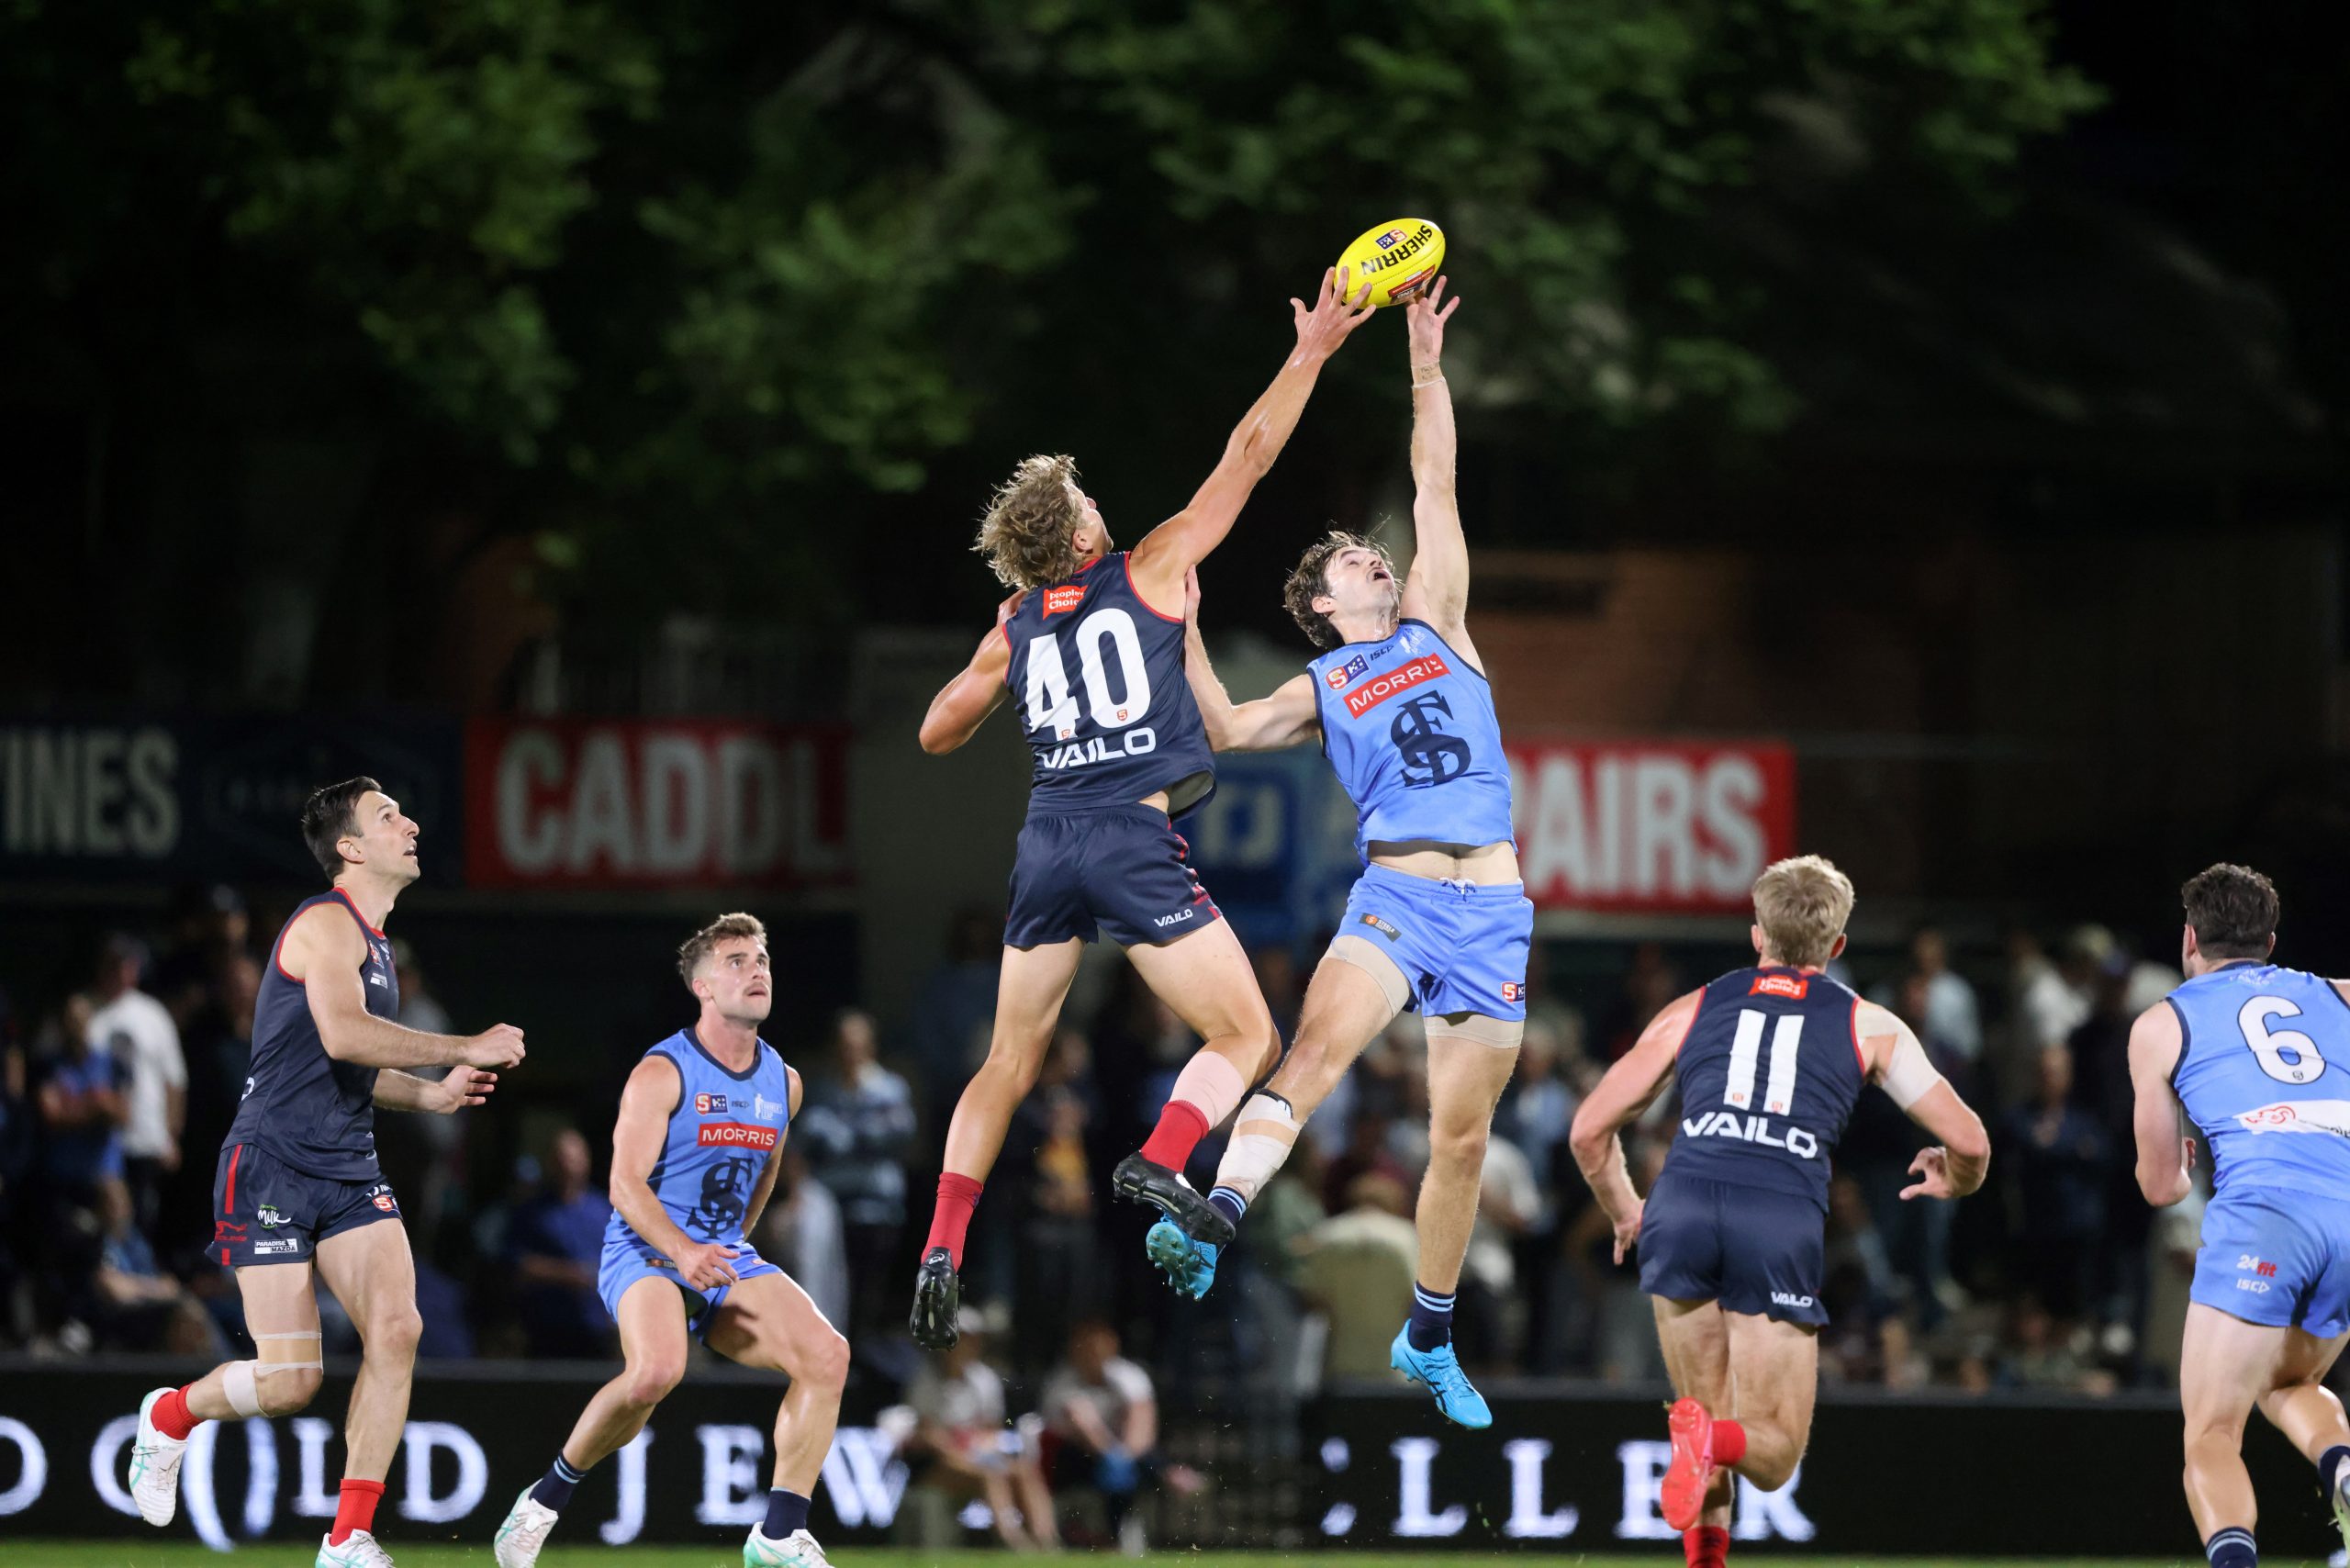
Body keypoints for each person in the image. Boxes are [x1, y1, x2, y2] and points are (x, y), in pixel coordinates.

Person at [906, 266, 1377, 1348]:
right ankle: (1163, 1157)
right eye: (1082, 503)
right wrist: (1309, 352)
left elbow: (935, 731)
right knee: (1247, 1028)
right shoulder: (1150, 565)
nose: (1096, 503)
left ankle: (943, 1240)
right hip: (1127, 830)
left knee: (1006, 1061)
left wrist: (1006, 635)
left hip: (1045, 843)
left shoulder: (1014, 620)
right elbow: (1247, 459)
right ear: (1079, 532)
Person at [1153, 279, 1524, 1428]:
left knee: (1459, 1141)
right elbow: (1220, 727)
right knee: (1310, 1056)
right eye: (1356, 560)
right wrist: (1185, 613)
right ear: (1321, 599)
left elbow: (1435, 479)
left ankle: (1429, 1332)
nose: (1377, 556)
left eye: (1376, 553)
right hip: (1399, 895)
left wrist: (1423, 362)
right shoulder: (1321, 680)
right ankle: (1213, 1217)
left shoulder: (1440, 619)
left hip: (1494, 907)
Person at [125, 777, 519, 1568]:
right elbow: (345, 1035)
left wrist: (434, 1098)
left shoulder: (375, 947)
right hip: (269, 1164)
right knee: (291, 1381)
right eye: (387, 816)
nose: (408, 822)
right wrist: (462, 1047)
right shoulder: (324, 923)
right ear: (350, 848)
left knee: (399, 1329)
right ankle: (170, 1415)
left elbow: (352, 1069)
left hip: (347, 1168)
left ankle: (348, 1539)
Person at [1567, 856, 1989, 1568]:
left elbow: (1588, 1130)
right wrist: (1960, 1179)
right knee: (1770, 1451)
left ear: (1756, 935)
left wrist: (1625, 1211)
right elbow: (1970, 1139)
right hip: (1777, 1217)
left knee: (1702, 1419)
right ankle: (1708, 1443)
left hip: (1683, 1205)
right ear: (1838, 948)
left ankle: (1702, 1488)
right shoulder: (1869, 1024)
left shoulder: (1690, 1007)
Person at [492, 913, 847, 1568]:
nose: (758, 969)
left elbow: (767, 1169)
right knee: (656, 1371)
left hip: (718, 1253)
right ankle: (542, 1501)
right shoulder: (662, 1070)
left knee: (828, 1355)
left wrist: (732, 1245)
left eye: (762, 958)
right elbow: (624, 1185)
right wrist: (684, 1252)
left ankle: (778, 1534)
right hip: (646, 1250)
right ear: (704, 987)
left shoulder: (784, 1081)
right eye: (738, 961)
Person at [2127, 864, 2350, 1568]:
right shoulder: (2339, 996)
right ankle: (2345, 1469)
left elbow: (2161, 1187)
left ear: (2190, 939)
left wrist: (2188, 1159)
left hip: (2265, 1213)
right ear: (2271, 941)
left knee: (2211, 1433)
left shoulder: (2163, 1023)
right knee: (2289, 1383)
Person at [795, 1008, 915, 1339]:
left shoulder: (890, 1088)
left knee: (868, 1297)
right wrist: (858, 1135)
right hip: (831, 1208)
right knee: (830, 1290)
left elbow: (895, 1134)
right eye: (845, 1045)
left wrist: (844, 1136)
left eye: (858, 1044)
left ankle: (861, 1365)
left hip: (877, 1208)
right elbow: (808, 1136)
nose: (852, 1052)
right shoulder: (823, 1089)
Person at [86, 934, 187, 1238]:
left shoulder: (152, 1014)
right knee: (108, 1220)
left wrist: (171, 1135)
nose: (118, 974)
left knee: (145, 1220)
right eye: (112, 966)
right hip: (100, 1140)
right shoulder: (88, 1014)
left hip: (146, 1138)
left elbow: (174, 1080)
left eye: (125, 966)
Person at [508, 1127, 616, 1359]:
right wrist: (571, 1275)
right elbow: (519, 1266)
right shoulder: (531, 1213)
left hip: (596, 1329)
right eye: (562, 1159)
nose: (569, 1166)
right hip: (547, 1329)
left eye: (575, 1159)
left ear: (586, 1161)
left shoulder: (604, 1210)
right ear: (551, 1162)